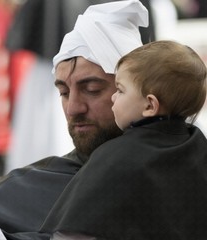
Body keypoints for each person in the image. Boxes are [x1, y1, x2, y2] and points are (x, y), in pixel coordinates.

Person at [0, 1, 149, 239]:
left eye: (91, 89)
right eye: (64, 92)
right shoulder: (31, 187)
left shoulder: (183, 169)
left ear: (137, 91)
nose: (73, 108)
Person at [41, 40, 207, 240]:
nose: (113, 98)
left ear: (150, 105)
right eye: (64, 93)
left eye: (119, 90)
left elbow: (73, 233)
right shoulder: (199, 148)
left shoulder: (115, 157)